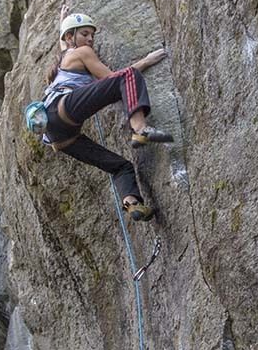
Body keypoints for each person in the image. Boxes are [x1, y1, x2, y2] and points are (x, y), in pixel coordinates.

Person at [42, 12, 172, 222]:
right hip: (63, 108)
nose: (90, 39)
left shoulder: (62, 62)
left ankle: (132, 203)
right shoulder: (82, 52)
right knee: (129, 75)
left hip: (59, 136)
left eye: (92, 35)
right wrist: (147, 61)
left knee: (121, 167)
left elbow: (65, 45)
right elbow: (114, 78)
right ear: (70, 37)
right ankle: (140, 129)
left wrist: (63, 22)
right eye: (85, 34)